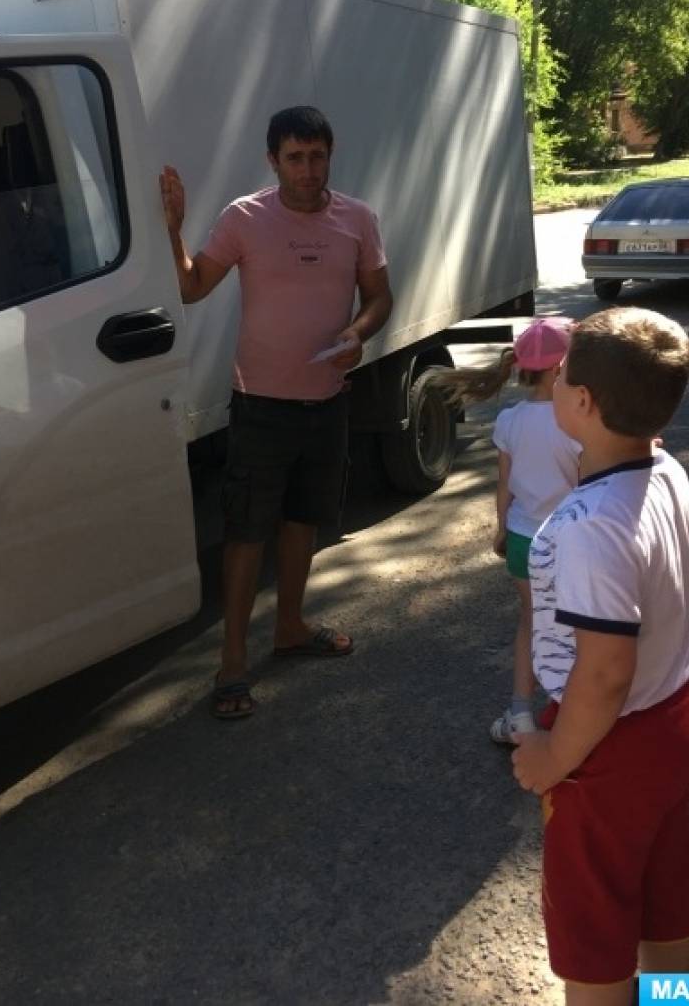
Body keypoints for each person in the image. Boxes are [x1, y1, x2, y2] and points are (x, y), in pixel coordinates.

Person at [511, 306, 689, 1006]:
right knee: (663, 875)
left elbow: (603, 673)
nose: (553, 379)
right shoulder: (667, 469)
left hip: (612, 744)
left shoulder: (590, 527)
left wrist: (554, 756)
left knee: (594, 918)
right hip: (677, 711)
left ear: (584, 402)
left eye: (562, 372)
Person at [159, 106, 392, 720]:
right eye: (295, 158)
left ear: (330, 155)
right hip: (260, 406)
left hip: (327, 400)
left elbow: (379, 297)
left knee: (303, 521)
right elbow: (191, 287)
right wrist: (173, 230)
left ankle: (290, 627)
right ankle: (232, 662)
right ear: (273, 160)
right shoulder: (245, 217)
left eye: (317, 157)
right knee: (245, 532)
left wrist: (359, 331)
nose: (308, 171)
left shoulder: (358, 218)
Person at [439, 317, 579, 745]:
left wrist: (501, 529)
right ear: (559, 368)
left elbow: (505, 485)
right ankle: (572, 713)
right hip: (570, 542)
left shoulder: (510, 420)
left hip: (521, 539)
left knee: (532, 621)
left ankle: (520, 713)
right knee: (576, 625)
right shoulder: (576, 421)